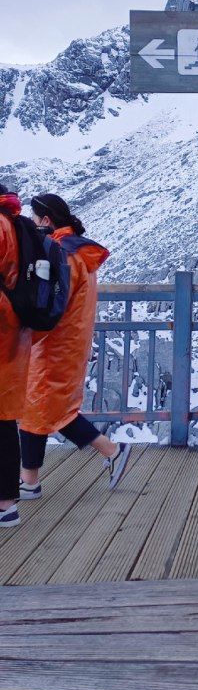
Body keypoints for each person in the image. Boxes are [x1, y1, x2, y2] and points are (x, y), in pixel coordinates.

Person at [18, 193, 132, 496]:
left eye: (33, 217)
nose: (31, 223)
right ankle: (29, 481)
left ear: (45, 220)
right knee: (44, 408)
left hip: (54, 344)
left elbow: (51, 303)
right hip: (71, 342)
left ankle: (112, 451)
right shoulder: (79, 252)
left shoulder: (61, 253)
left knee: (46, 408)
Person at [0, 185, 32, 528]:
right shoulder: (14, 222)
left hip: (3, 329)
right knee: (4, 419)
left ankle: (6, 503)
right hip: (12, 333)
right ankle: (7, 500)